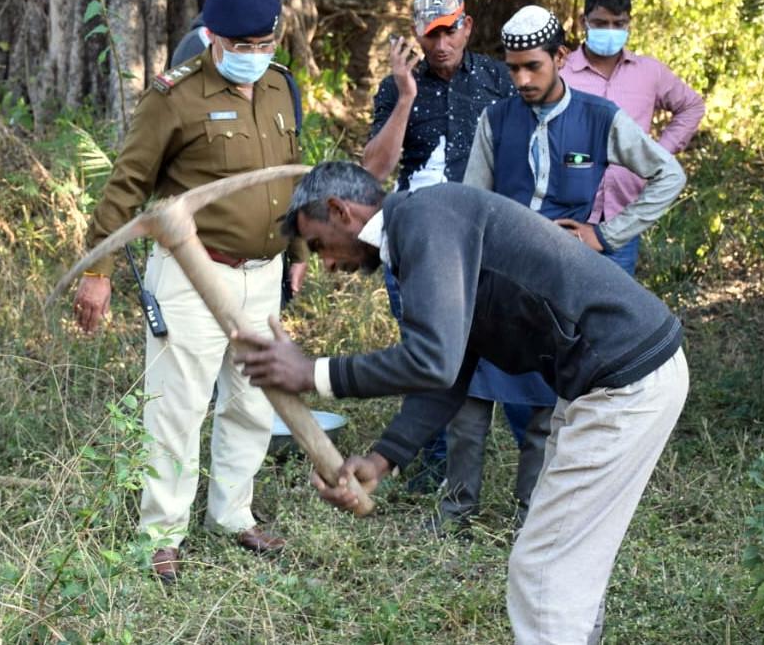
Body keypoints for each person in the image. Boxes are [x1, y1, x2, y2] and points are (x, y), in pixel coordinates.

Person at [233, 161, 689, 643]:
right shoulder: (425, 225)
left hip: (623, 382)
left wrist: (313, 372)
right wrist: (385, 457)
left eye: (320, 245)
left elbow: (433, 360)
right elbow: (454, 364)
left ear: (339, 210)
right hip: (615, 377)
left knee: (545, 570)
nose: (326, 263)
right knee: (568, 559)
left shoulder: (422, 219)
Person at [73, 0, 305, 583]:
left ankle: (233, 515)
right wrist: (98, 270)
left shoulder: (281, 87)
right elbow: (126, 185)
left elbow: (290, 175)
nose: (255, 51)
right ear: (213, 37)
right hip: (192, 274)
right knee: (178, 407)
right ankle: (162, 533)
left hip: (264, 273)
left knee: (253, 400)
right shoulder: (174, 97)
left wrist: (299, 247)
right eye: (242, 42)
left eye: (264, 41)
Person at [460, 4, 686, 532]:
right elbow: (470, 203)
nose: (521, 79)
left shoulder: (599, 117)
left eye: (532, 67)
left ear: (561, 57)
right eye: (513, 68)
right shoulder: (495, 120)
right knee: (468, 401)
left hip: (558, 289)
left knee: (544, 408)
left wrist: (605, 235)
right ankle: (455, 510)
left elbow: (667, 176)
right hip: (494, 281)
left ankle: (529, 516)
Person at [360, 0, 517, 525]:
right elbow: (375, 171)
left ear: (467, 26)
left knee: (494, 347)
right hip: (416, 243)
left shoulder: (499, 80)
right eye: (431, 34)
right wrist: (405, 95)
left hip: (480, 240)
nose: (442, 43)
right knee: (424, 351)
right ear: (417, 37)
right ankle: (427, 468)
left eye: (450, 30)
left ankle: (517, 459)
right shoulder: (397, 87)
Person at [560, 0, 705, 276]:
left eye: (618, 23)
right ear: (583, 22)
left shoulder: (649, 73)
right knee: (560, 307)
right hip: (564, 215)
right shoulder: (561, 72)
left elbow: (692, 106)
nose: (610, 30)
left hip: (621, 220)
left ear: (629, 24)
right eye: (601, 23)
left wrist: (656, 156)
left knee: (612, 310)